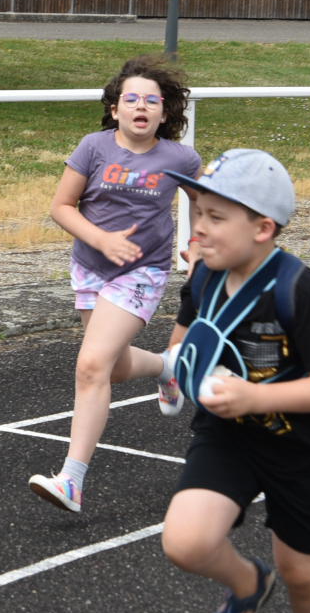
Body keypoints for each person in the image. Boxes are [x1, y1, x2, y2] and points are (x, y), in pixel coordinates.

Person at [159, 149, 310, 613]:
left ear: (262, 228)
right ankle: (247, 583)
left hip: (304, 447)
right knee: (185, 542)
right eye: (197, 212)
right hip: (230, 434)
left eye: (216, 217)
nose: (198, 228)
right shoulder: (204, 273)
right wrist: (164, 371)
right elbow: (183, 343)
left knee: (303, 573)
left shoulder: (298, 289)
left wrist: (255, 397)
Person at [28, 56, 201, 514]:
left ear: (164, 113)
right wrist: (101, 239)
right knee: (113, 369)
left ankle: (71, 480)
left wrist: (198, 244)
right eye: (132, 99)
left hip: (142, 271)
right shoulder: (94, 147)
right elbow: (61, 207)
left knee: (90, 366)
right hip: (90, 266)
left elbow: (203, 201)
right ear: (114, 109)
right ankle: (167, 367)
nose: (141, 106)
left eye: (151, 101)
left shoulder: (180, 158)